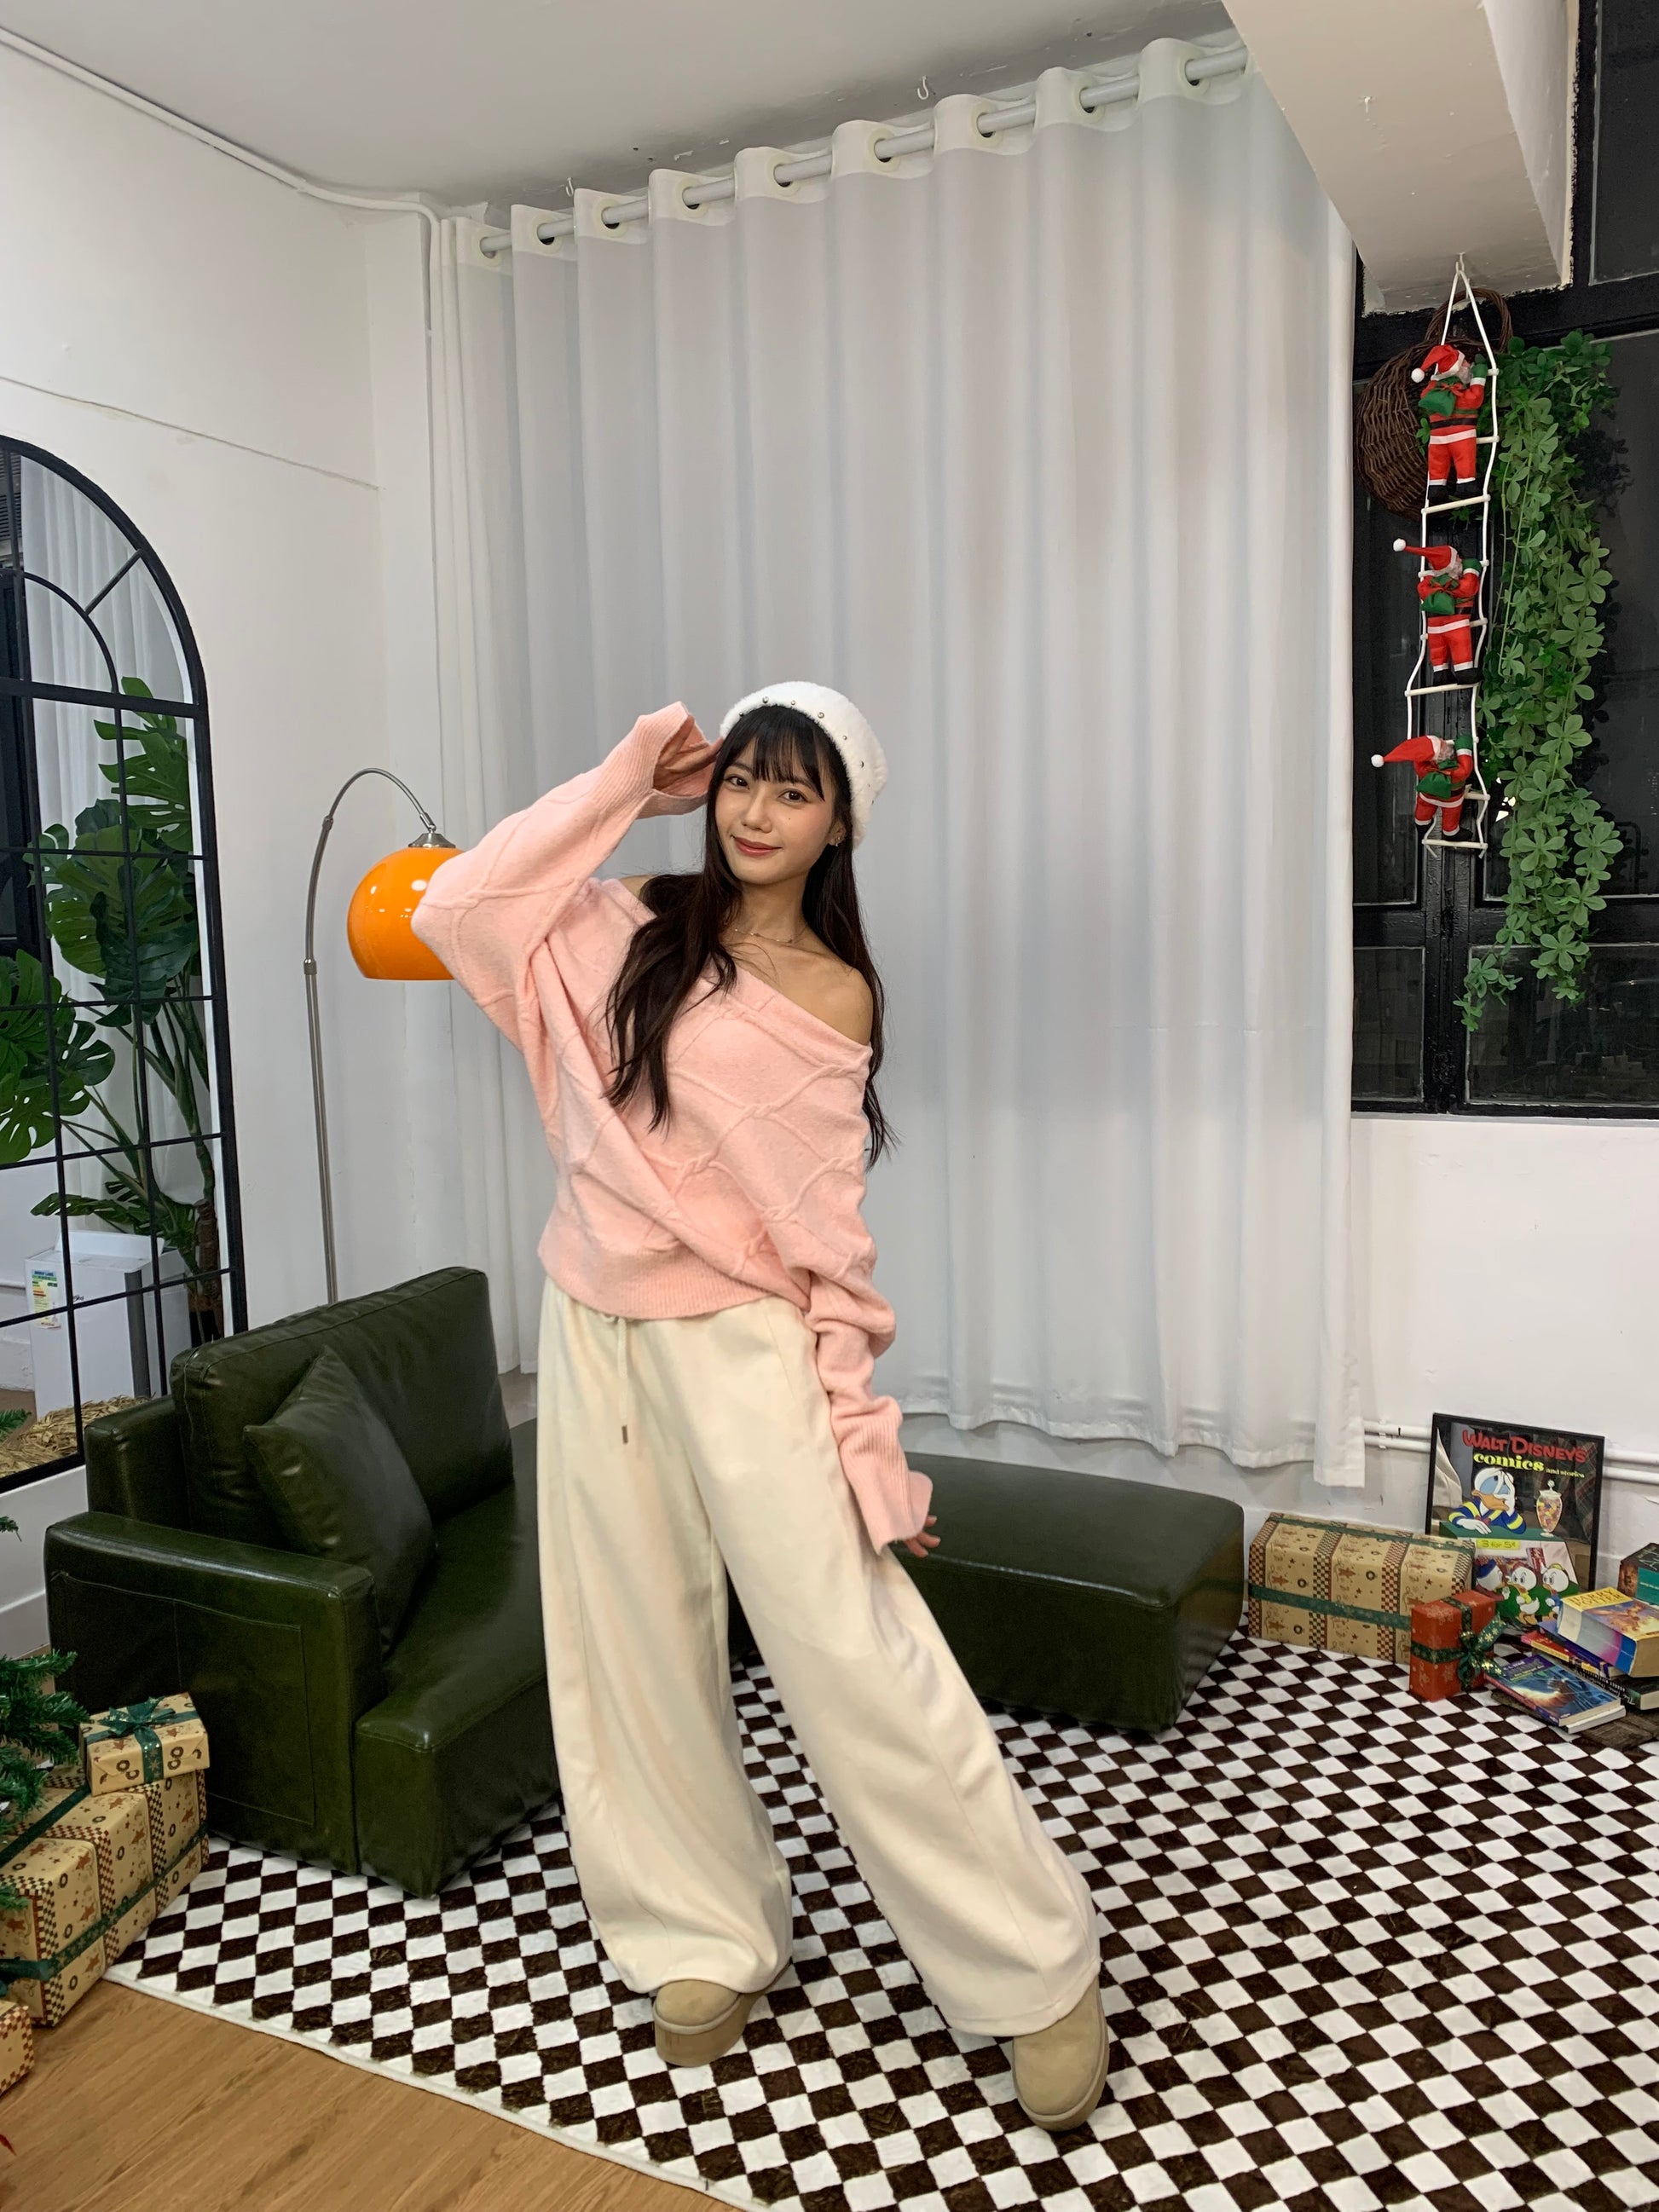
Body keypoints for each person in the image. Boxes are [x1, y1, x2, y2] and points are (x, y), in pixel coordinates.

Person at [410, 681, 1108, 2132]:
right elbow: (460, 907)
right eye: (739, 778)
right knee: (630, 1648)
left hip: (741, 1343)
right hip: (592, 1324)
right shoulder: (630, 918)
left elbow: (825, 1243)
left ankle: (1033, 1972)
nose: (755, 810)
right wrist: (627, 781)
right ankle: (698, 1934)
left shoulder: (830, 992)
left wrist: (861, 1436)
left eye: (792, 790)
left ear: (839, 822)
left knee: (852, 1654)